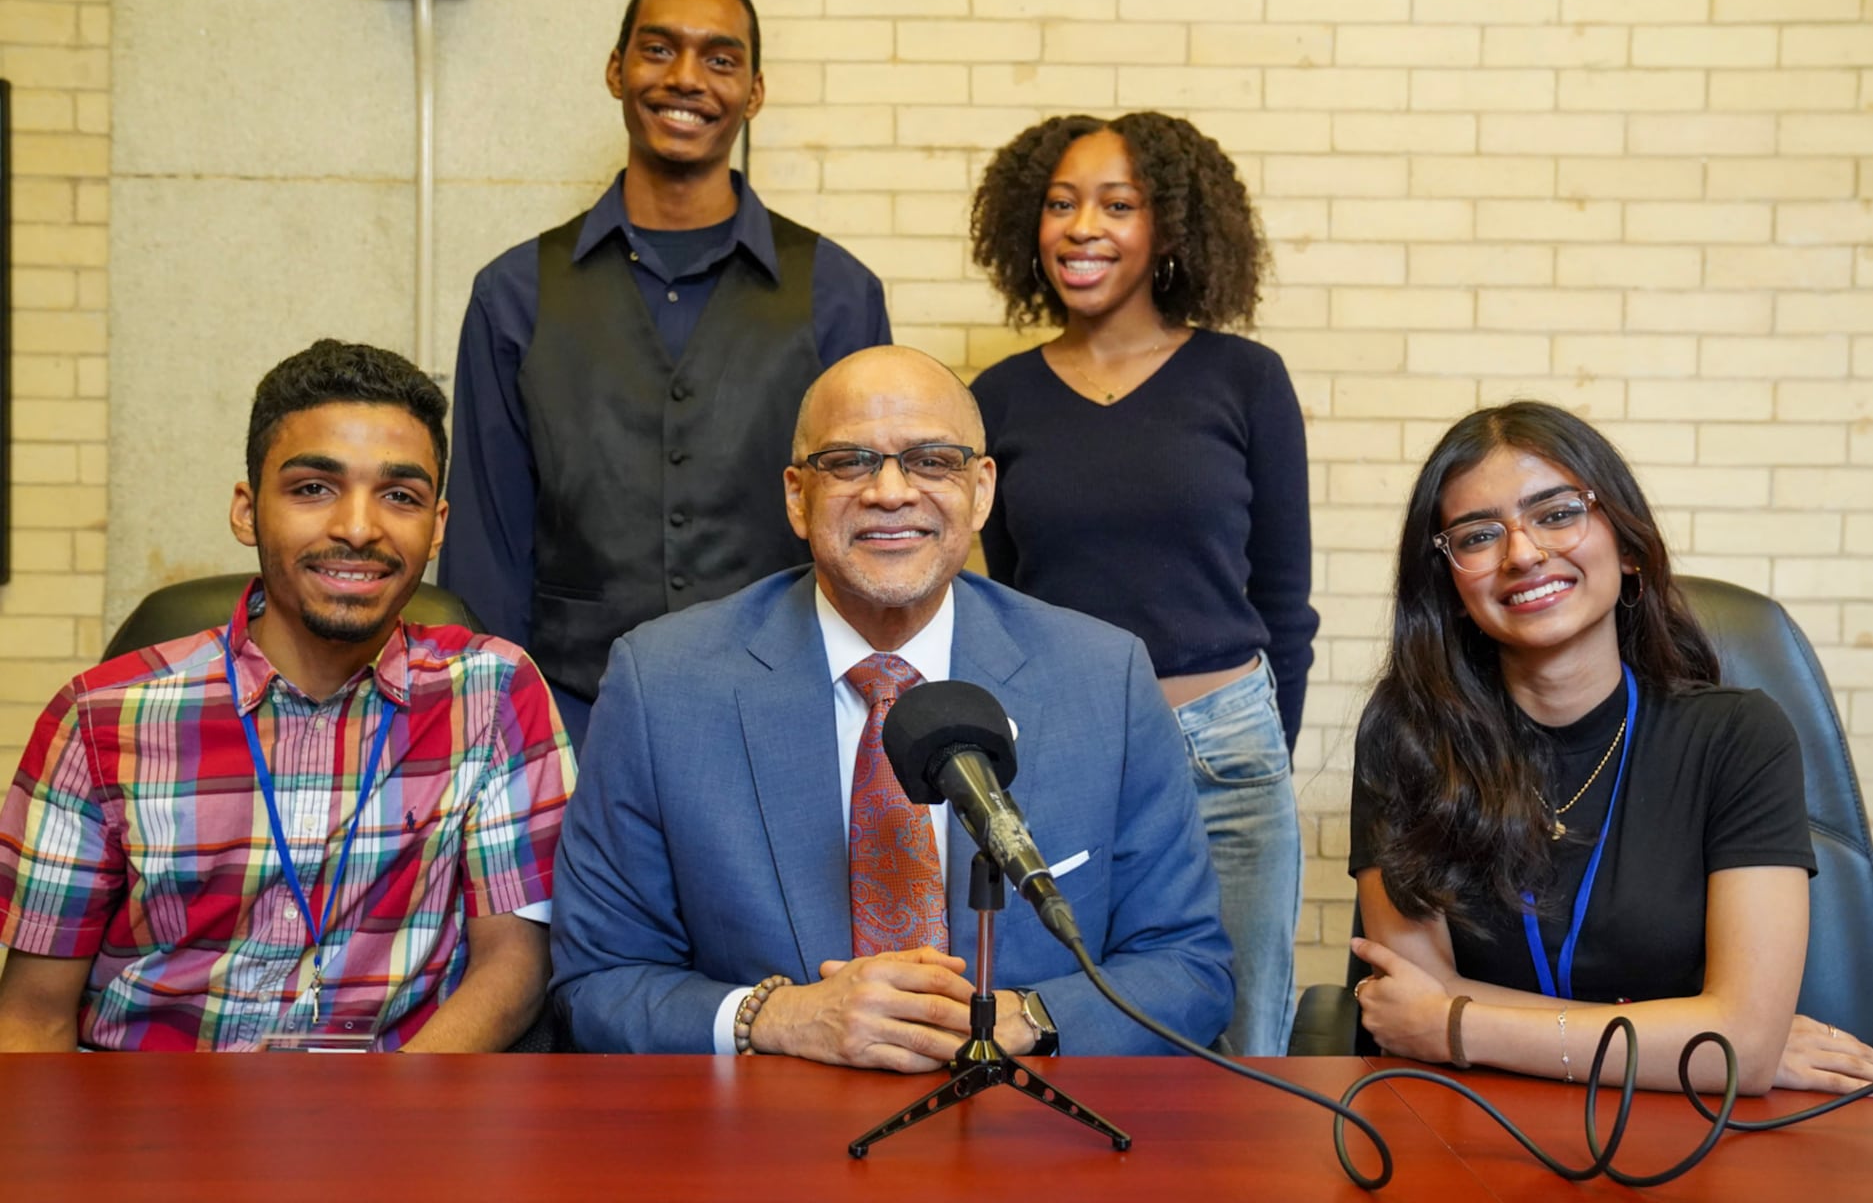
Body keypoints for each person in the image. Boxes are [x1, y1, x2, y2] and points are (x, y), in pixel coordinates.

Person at [550, 346, 1232, 1069]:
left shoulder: (1103, 679)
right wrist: (778, 1016)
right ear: (794, 495)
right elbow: (599, 982)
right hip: (771, 1138)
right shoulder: (663, 684)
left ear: (981, 489)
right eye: (847, 462)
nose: (890, 492)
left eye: (932, 460)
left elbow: (1188, 965)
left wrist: (1027, 1017)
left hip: (1025, 1135)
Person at [0, 340, 575, 1052]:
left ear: (437, 529)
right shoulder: (101, 717)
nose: (358, 528)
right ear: (246, 511)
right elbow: (33, 1015)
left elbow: (513, 967)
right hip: (148, 1127)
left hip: (397, 1123)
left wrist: (385, 1121)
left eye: (400, 496)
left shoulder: (491, 693)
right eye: (313, 488)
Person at [1347, 401, 1873, 1094]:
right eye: (1477, 536)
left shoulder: (1739, 735)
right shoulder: (1407, 733)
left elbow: (1740, 1043)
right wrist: (1686, 1045)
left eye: (1557, 514)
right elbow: (1409, 999)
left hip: (1680, 1136)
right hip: (1467, 1121)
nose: (1523, 553)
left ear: (1626, 545)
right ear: (1448, 584)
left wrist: (1457, 1025)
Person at [440, 0, 890, 752]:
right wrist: (494, 738)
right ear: (616, 69)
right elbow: (488, 543)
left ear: (753, 91)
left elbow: (871, 528)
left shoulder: (839, 293)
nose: (686, 78)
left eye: (720, 59)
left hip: (784, 714)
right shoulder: (514, 293)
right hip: (571, 718)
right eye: (658, 49)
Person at [968, 112, 1317, 1056]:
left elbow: (1284, 599)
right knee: (1079, 1028)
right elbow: (1009, 598)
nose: (1082, 227)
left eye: (1117, 205)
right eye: (1060, 204)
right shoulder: (997, 399)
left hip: (1227, 753)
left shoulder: (1244, 379)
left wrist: (1261, 749)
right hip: (1064, 747)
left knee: (1243, 1038)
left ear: (1167, 228)